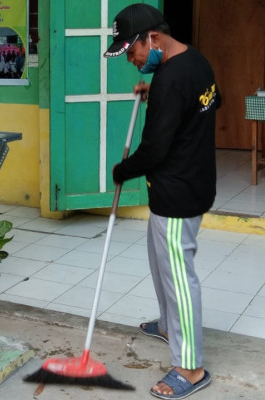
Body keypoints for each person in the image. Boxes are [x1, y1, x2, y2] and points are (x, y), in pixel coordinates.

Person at [104, 3, 221, 399]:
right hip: (193, 183)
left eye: (132, 51)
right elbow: (204, 105)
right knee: (161, 262)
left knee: (178, 278)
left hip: (176, 192)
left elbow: (153, 150)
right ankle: (170, 326)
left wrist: (122, 171)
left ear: (153, 38)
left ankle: (190, 368)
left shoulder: (172, 80)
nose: (132, 60)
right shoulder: (195, 62)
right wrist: (158, 94)